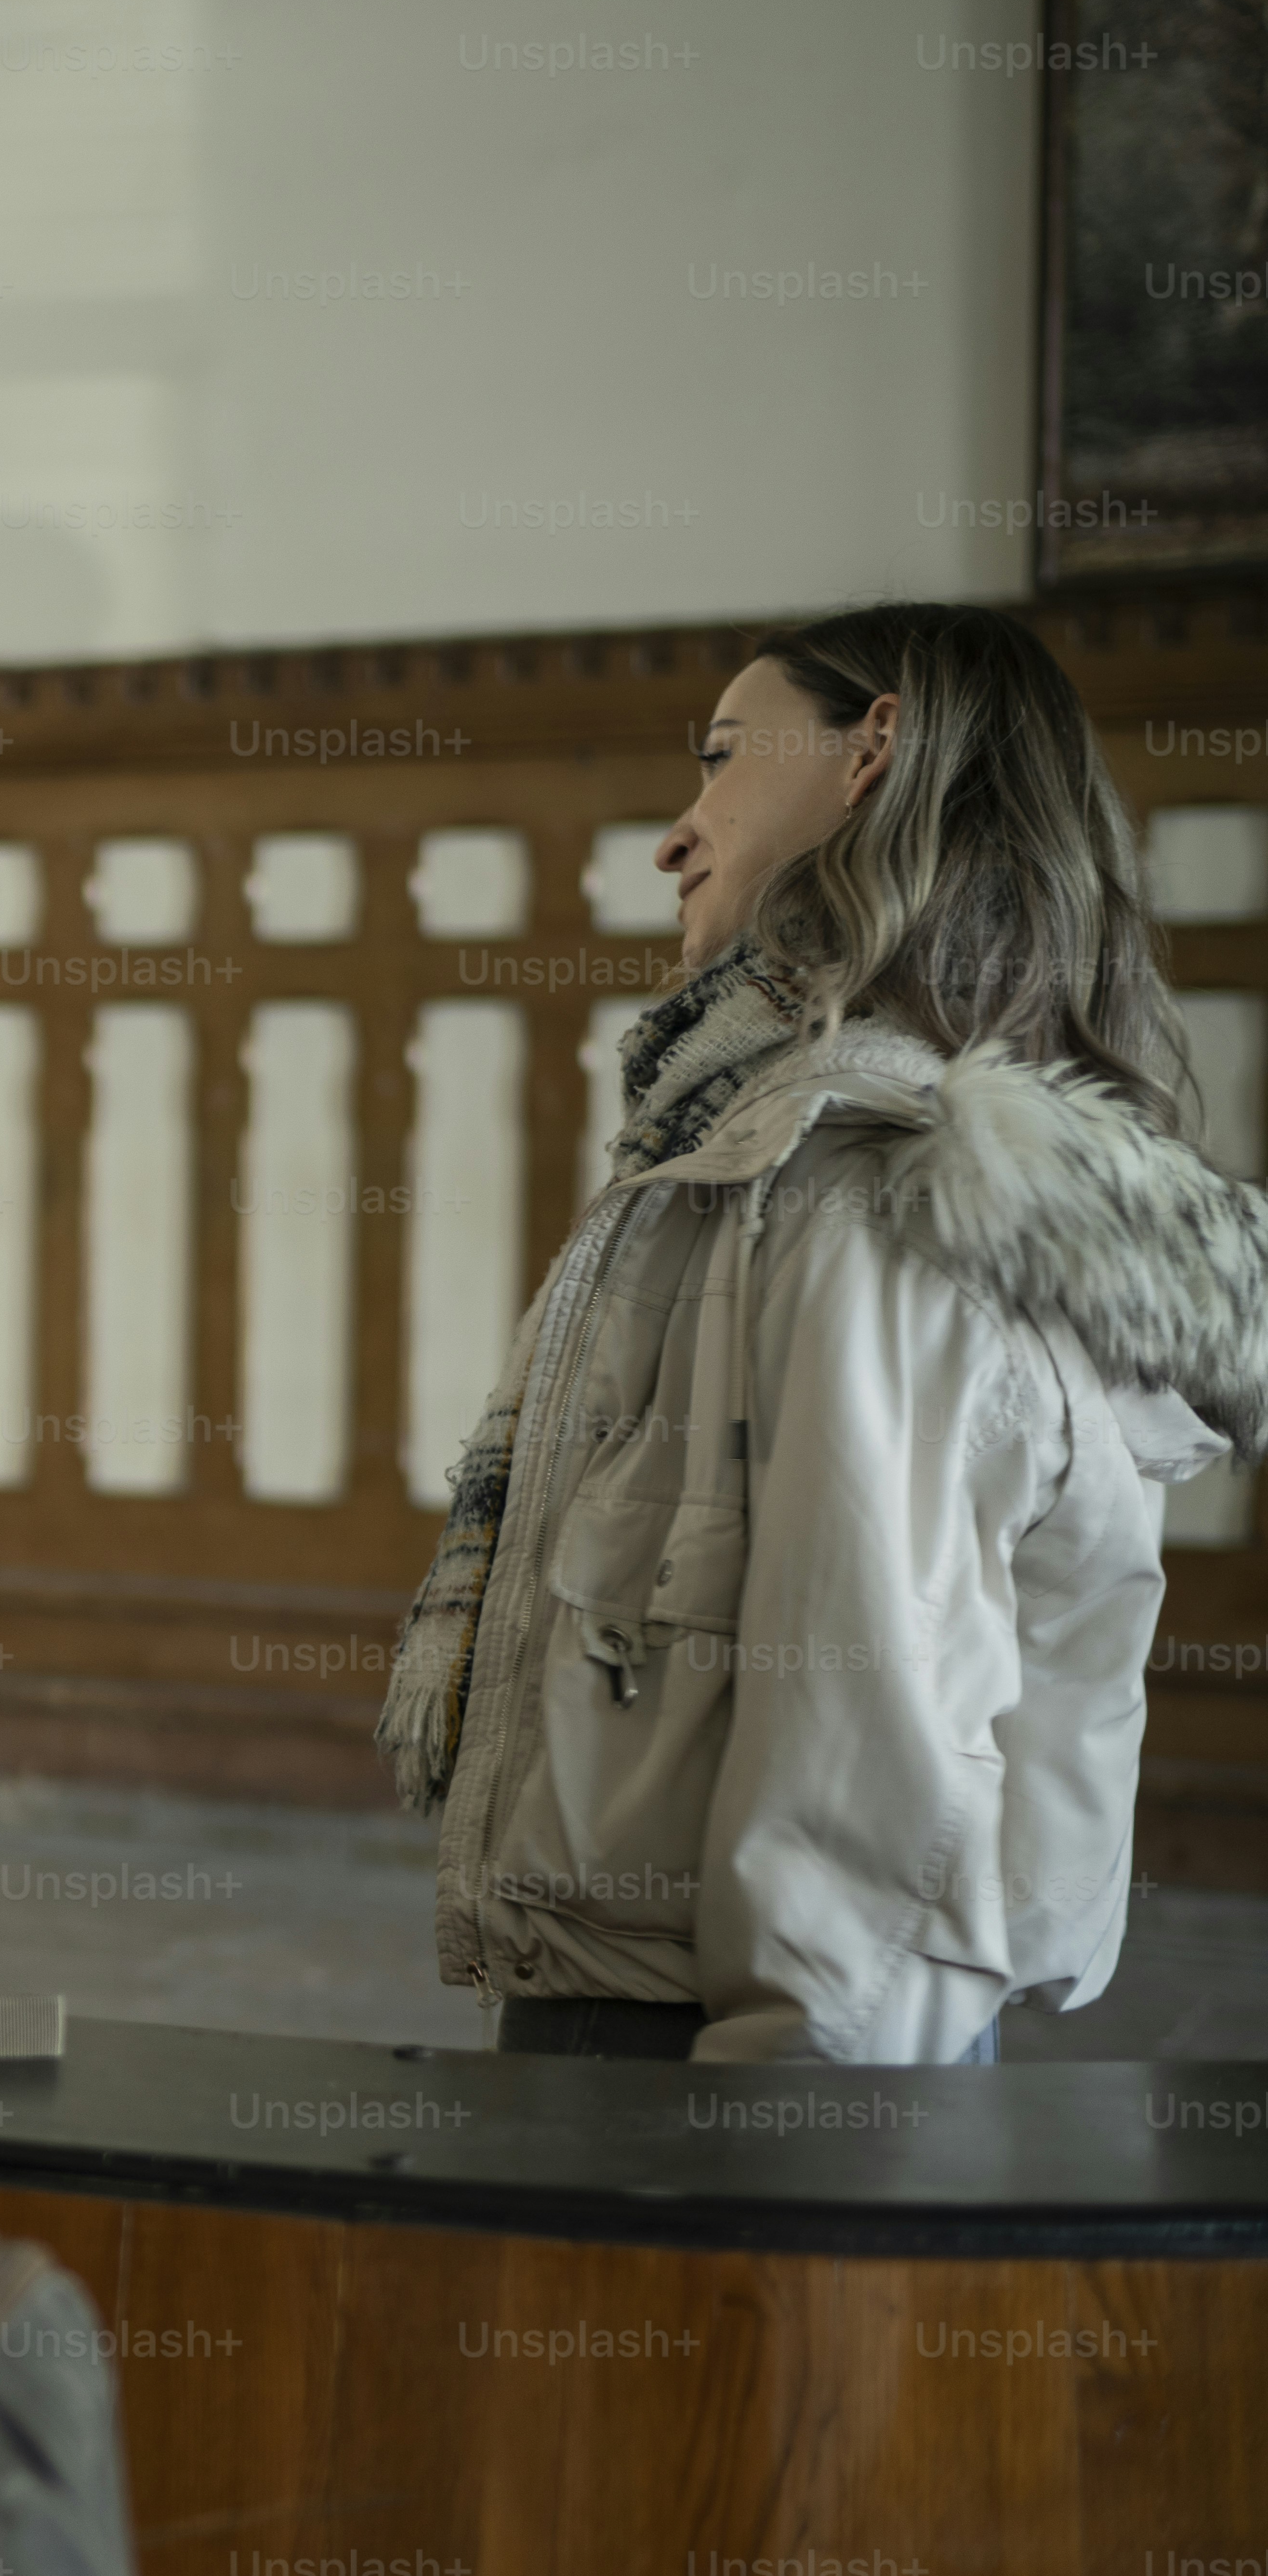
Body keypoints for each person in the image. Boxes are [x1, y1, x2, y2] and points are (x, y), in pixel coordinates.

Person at [383, 603, 1266, 2063]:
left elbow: (873, 1750)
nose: (675, 838)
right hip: (664, 2006)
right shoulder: (769, 1152)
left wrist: (804, 2188)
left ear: (878, 751)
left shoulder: (868, 1195)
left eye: (724, 758)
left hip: (744, 2069)